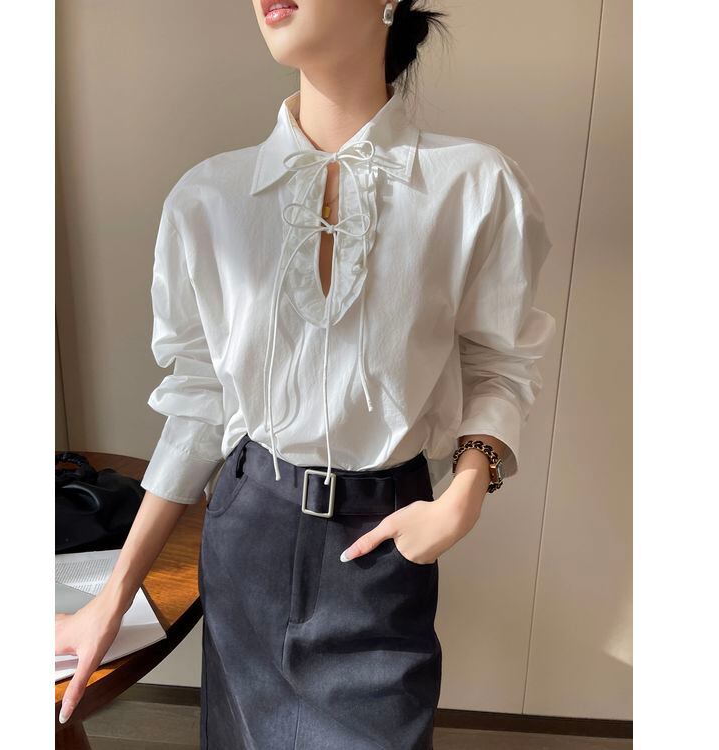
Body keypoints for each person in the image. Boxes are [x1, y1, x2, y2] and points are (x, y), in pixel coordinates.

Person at [55, 1, 557, 748]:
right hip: (246, 531)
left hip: (378, 540)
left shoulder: (475, 186)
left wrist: (464, 495)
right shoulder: (209, 198)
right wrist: (113, 596)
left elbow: (500, 361)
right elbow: (199, 404)